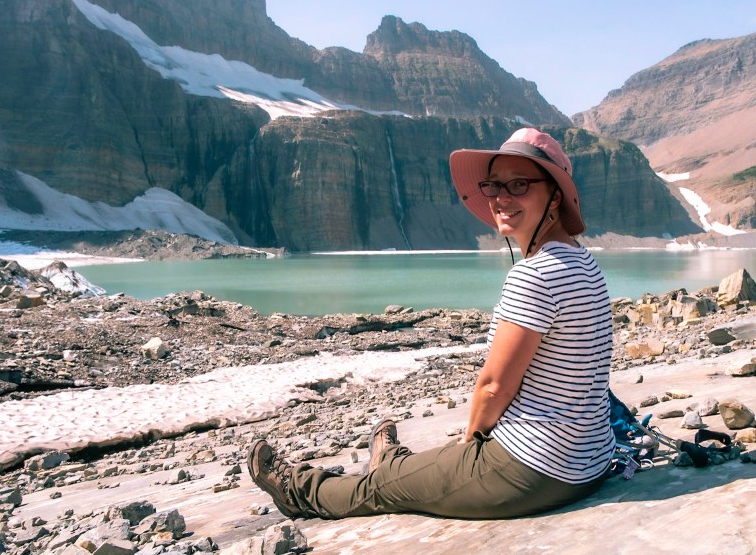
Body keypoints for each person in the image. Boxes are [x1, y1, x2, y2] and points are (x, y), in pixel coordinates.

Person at [248, 127, 615, 519]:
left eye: (520, 184)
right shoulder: (583, 263)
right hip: (588, 462)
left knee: (381, 489)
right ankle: (393, 461)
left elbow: (494, 387)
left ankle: (298, 490)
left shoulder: (535, 274)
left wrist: (470, 441)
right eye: (494, 186)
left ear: (555, 195)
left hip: (533, 468)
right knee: (423, 473)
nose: (502, 198)